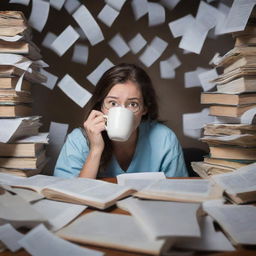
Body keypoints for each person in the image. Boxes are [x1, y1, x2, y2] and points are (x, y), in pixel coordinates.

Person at [54, 63, 188, 178]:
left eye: (133, 104)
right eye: (112, 103)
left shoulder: (164, 138)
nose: (122, 111)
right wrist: (96, 149)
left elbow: (178, 192)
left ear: (145, 108)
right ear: (101, 106)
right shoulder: (78, 140)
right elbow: (70, 197)